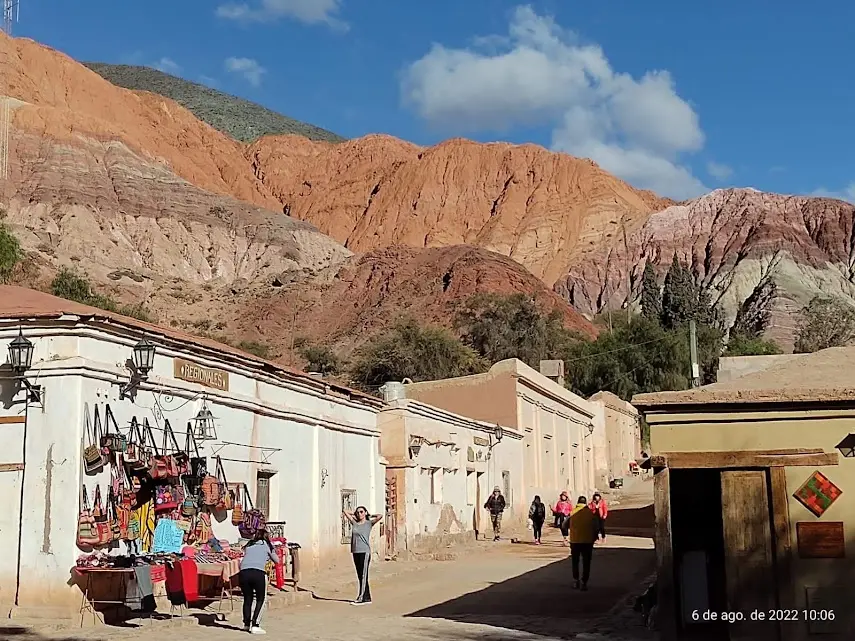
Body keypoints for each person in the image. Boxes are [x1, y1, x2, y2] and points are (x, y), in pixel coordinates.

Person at [238, 529, 278, 634]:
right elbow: (276, 560)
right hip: (258, 573)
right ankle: (255, 624)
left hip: (243, 572)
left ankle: (246, 624)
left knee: (247, 599)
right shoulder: (267, 545)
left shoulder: (249, 545)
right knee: (261, 599)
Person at [342, 505, 382, 605]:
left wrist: (369, 514)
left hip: (365, 552)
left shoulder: (369, 524)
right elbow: (345, 511)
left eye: (361, 512)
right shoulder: (355, 523)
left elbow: (380, 516)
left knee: (364, 576)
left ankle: (361, 598)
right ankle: (367, 598)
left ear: (365, 513)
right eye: (358, 512)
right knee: (360, 576)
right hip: (355, 551)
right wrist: (354, 513)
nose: (359, 514)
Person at [568, 495, 598, 591]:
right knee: (586, 562)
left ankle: (576, 580)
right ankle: (584, 582)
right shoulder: (590, 513)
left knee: (575, 562)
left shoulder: (572, 512)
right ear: (585, 503)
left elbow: (564, 525)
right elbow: (596, 527)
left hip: (575, 541)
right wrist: (594, 537)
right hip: (587, 541)